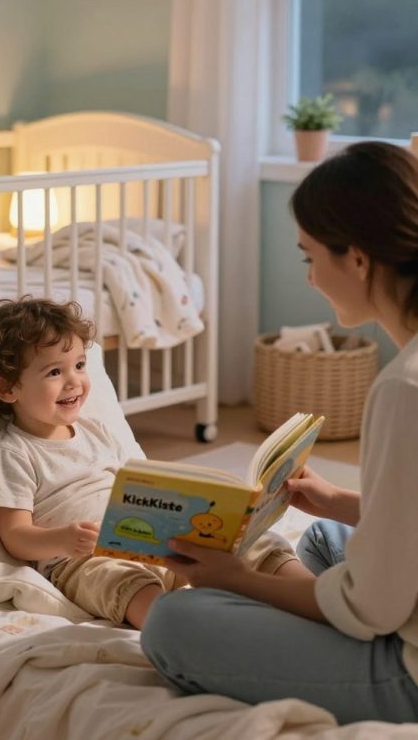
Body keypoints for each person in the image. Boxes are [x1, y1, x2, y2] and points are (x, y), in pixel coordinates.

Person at [141, 142, 418, 725]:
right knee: (320, 538)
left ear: (360, 259)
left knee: (172, 625)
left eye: (309, 258)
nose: (312, 278)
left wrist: (236, 579)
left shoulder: (404, 389)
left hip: (409, 672)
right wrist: (341, 501)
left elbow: (372, 607)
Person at [0, 295, 182, 628]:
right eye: (54, 371)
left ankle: (258, 602)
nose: (74, 381)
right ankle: (175, 630)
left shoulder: (96, 432)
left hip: (140, 541)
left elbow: (134, 488)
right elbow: (15, 535)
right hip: (80, 562)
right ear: (7, 389)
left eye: (79, 365)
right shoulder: (13, 454)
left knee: (223, 553)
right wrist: (62, 539)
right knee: (129, 585)